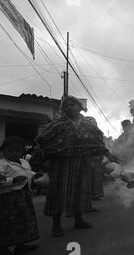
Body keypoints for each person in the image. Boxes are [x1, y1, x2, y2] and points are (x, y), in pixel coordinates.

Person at [35, 96, 108, 237]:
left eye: (72, 105)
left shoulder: (88, 124)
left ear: (80, 107)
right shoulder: (56, 124)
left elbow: (98, 141)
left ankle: (79, 219)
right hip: (61, 164)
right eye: (66, 105)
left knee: (80, 190)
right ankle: (56, 225)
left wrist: (106, 155)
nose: (69, 107)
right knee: (58, 192)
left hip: (82, 162)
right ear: (63, 109)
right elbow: (42, 140)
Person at [0, 136, 40, 255]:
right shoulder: (2, 164)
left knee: (24, 220)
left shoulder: (24, 162)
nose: (14, 153)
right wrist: (12, 181)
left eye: (17, 150)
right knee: (8, 223)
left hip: (24, 196)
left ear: (22, 151)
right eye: (10, 150)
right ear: (3, 151)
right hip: (8, 198)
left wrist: (35, 176)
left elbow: (28, 173)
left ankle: (21, 244)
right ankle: (3, 250)